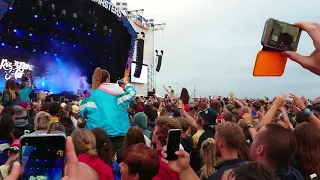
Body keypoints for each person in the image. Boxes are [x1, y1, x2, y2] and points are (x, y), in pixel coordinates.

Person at [80, 67, 136, 151]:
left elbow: (82, 113)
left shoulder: (88, 94)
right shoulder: (117, 93)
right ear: (107, 80)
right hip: (119, 135)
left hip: (95, 135)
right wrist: (126, 84)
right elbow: (132, 93)